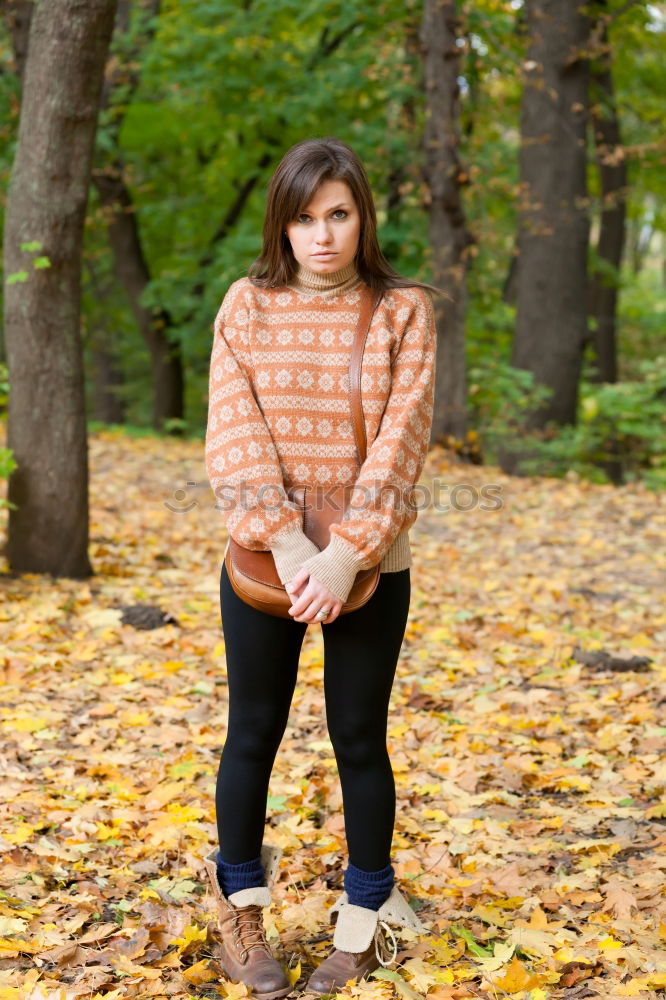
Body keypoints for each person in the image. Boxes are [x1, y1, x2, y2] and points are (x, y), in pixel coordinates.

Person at [203, 136, 440, 998]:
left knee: (359, 739)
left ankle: (367, 921)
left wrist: (345, 556)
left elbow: (403, 440)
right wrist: (294, 545)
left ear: (362, 216)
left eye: (338, 214)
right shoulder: (246, 305)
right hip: (265, 562)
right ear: (283, 224)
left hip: (372, 563)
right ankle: (241, 910)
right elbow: (234, 432)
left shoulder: (403, 310)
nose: (323, 235)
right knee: (253, 733)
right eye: (304, 218)